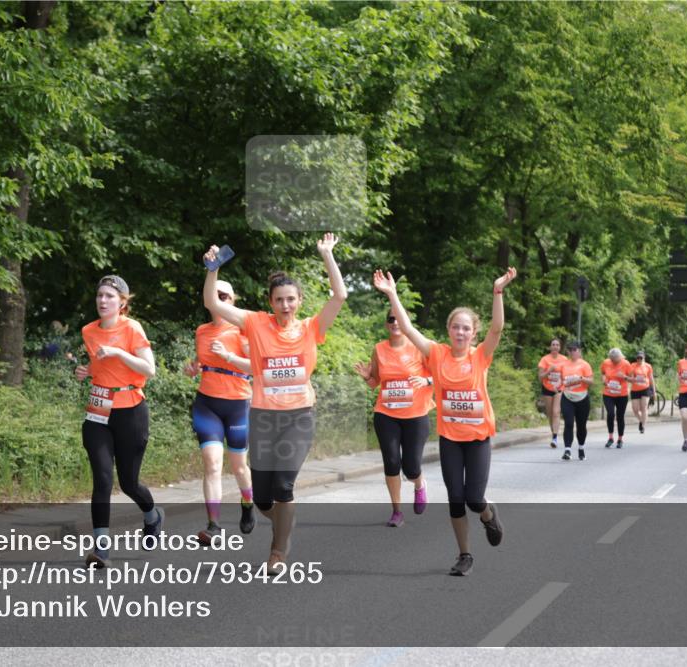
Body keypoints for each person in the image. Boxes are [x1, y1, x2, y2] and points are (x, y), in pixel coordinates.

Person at [202, 233, 347, 572]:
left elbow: (339, 295)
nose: (285, 306)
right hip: (264, 417)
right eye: (279, 300)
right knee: (264, 497)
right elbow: (214, 303)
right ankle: (283, 520)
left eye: (291, 300)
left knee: (284, 486)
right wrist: (212, 270)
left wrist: (326, 254)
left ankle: (278, 552)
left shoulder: (311, 328)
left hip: (298, 417)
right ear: (271, 302)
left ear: (299, 301)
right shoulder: (255, 322)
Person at [372, 266, 517, 577]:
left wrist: (498, 290)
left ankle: (489, 514)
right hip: (451, 438)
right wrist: (392, 293)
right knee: (454, 499)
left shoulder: (480, 356)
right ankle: (464, 554)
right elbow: (409, 329)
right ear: (449, 330)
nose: (460, 332)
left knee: (473, 498)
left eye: (466, 328)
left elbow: (498, 328)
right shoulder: (436, 354)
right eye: (455, 327)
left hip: (477, 438)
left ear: (473, 333)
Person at [75, 275, 163, 568]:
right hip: (98, 410)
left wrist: (118, 352)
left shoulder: (132, 328)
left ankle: (152, 515)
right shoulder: (88, 331)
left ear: (122, 303)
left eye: (110, 297)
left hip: (131, 410)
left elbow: (149, 369)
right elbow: (100, 365)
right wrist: (86, 371)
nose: (103, 301)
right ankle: (101, 551)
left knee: (129, 483)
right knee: (102, 478)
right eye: (100, 295)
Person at [183, 279, 256, 545]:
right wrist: (194, 369)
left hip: (237, 404)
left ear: (232, 301)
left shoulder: (242, 329)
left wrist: (227, 356)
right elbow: (202, 362)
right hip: (207, 403)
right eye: (216, 294)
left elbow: (253, 367)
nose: (220, 299)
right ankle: (213, 525)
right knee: (212, 463)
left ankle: (247, 503)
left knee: (238, 467)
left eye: (224, 295)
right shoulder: (202, 331)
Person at [354, 309, 433, 527]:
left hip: (416, 414)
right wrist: (367, 377)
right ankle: (397, 511)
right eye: (391, 319)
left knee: (411, 467)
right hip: (386, 413)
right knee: (391, 462)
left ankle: (419, 484)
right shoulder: (379, 349)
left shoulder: (420, 347)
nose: (395, 323)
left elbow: (443, 373)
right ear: (387, 324)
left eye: (399, 319)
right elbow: (375, 382)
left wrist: (426, 382)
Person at [560, 342, 594, 461]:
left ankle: (581, 447)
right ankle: (567, 450)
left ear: (579, 351)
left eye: (574, 349)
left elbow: (591, 382)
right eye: (570, 349)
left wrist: (581, 378)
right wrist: (560, 386)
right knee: (568, 423)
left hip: (582, 398)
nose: (572, 352)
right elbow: (561, 381)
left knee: (581, 425)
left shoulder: (585, 365)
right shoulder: (564, 365)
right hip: (567, 397)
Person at [600, 348, 633, 448]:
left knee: (620, 416)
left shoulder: (626, 364)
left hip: (621, 395)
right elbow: (603, 373)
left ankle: (620, 439)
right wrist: (604, 380)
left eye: (617, 360)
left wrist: (624, 377)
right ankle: (610, 437)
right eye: (613, 360)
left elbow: (632, 379)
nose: (615, 361)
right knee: (610, 413)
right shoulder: (606, 363)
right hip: (608, 393)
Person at [537, 339, 565, 448]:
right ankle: (554, 433)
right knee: (550, 414)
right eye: (553, 344)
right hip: (547, 389)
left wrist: (560, 385)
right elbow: (540, 377)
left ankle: (555, 437)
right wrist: (549, 370)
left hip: (559, 388)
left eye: (557, 345)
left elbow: (566, 375)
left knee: (556, 412)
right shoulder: (545, 359)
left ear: (559, 347)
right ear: (550, 347)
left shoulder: (564, 359)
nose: (555, 346)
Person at [629, 351, 656, 434]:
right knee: (635, 409)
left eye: (641, 358)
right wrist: (633, 379)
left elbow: (651, 379)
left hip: (645, 389)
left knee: (644, 407)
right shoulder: (632, 365)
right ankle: (641, 420)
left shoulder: (648, 366)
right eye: (638, 358)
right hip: (635, 389)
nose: (639, 359)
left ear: (644, 358)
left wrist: (654, 391)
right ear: (636, 358)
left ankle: (643, 426)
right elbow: (630, 378)